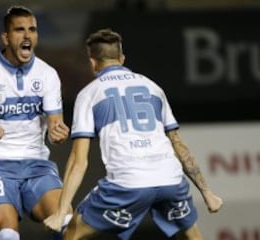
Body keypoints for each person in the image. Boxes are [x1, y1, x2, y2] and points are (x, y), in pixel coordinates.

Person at [44, 28, 224, 240]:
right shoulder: (153, 87)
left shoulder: (89, 94)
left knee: (71, 231)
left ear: (92, 62)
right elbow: (179, 145)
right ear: (122, 58)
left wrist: (59, 212)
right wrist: (207, 193)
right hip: (170, 179)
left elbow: (78, 161)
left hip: (128, 184)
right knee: (192, 235)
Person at [0, 5, 72, 240]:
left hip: (36, 165)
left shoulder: (48, 74)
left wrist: (58, 134)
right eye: (19, 30)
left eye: (32, 30)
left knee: (66, 221)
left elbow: (56, 125)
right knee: (7, 231)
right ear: (5, 37)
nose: (27, 36)